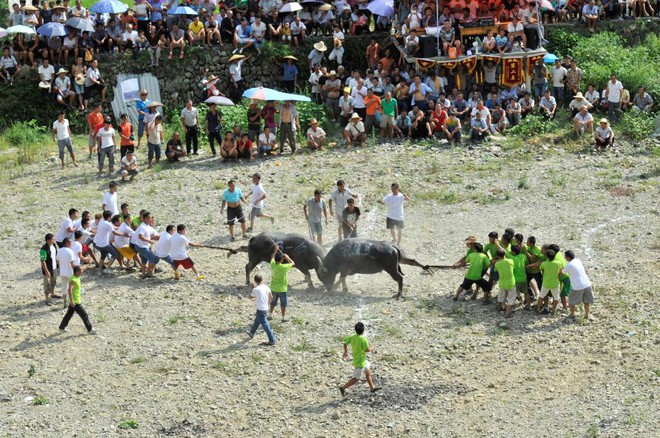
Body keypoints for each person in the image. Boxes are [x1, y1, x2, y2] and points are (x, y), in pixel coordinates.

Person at [339, 322, 379, 396]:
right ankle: (343, 388)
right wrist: (372, 348)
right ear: (363, 330)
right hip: (359, 362)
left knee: (368, 372)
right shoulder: (363, 339)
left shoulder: (352, 337)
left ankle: (372, 388)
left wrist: (345, 352)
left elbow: (345, 343)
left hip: (361, 360)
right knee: (356, 379)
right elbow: (366, 350)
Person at [59, 266, 95, 334]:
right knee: (84, 315)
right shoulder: (73, 279)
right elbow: (69, 290)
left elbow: (83, 268)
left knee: (69, 314)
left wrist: (88, 263)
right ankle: (90, 329)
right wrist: (72, 301)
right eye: (81, 271)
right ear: (77, 272)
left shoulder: (76, 277)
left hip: (75, 300)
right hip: (75, 302)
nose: (82, 272)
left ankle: (62, 327)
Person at [562, 250, 594, 320]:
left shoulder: (569, 265)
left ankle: (572, 314)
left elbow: (562, 272)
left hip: (578, 286)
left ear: (567, 257)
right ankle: (586, 314)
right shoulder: (577, 260)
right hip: (587, 284)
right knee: (586, 301)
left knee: (571, 300)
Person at [247, 274, 276, 345]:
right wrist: (268, 303)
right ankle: (251, 333)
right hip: (265, 308)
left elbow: (250, 297)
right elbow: (271, 297)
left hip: (260, 309)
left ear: (255, 280)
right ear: (262, 280)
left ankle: (272, 340)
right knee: (257, 321)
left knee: (265, 325)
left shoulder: (256, 289)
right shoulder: (266, 287)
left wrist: (251, 288)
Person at [268, 245, 295, 322]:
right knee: (283, 304)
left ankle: (270, 315)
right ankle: (283, 317)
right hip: (282, 289)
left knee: (273, 303)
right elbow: (293, 263)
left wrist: (275, 250)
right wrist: (287, 257)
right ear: (282, 260)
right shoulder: (283, 267)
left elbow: (273, 256)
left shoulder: (272, 264)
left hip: (273, 288)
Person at [536, 249, 563, 315]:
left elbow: (540, 268)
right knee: (556, 297)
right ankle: (553, 311)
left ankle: (538, 309)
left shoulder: (544, 264)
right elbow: (561, 270)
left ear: (547, 257)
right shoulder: (558, 263)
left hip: (545, 283)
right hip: (555, 283)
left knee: (541, 296)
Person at [493, 249, 516, 318]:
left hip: (502, 283)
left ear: (497, 255)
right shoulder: (510, 261)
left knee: (501, 296)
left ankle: (499, 307)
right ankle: (507, 313)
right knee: (511, 298)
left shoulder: (497, 264)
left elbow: (495, 270)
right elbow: (513, 268)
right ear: (505, 254)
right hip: (511, 283)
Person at [40, 233, 60, 305]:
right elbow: (43, 261)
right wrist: (46, 271)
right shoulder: (43, 249)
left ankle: (53, 293)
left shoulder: (54, 246)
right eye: (52, 239)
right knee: (46, 284)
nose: (54, 240)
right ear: (48, 240)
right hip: (48, 269)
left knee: (53, 282)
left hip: (54, 268)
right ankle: (47, 299)